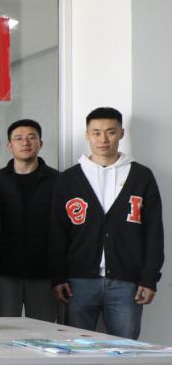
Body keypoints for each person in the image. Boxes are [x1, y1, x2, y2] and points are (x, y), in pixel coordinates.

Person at [49, 107, 164, 340]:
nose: (103, 139)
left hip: (127, 282)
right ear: (87, 135)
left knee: (125, 349)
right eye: (96, 132)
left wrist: (149, 278)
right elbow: (57, 232)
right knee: (75, 348)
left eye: (111, 132)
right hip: (78, 282)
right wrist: (58, 277)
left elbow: (153, 232)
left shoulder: (141, 176)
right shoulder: (69, 178)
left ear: (121, 133)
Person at [0, 119, 59, 322]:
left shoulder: (58, 181)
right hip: (4, 272)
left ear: (40, 143)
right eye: (18, 138)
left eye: (31, 137)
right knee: (4, 329)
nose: (25, 143)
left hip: (44, 272)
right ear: (9, 145)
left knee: (44, 331)